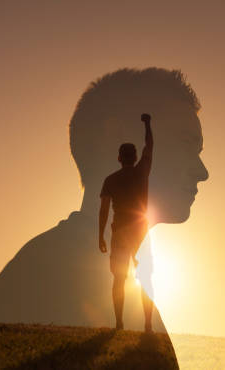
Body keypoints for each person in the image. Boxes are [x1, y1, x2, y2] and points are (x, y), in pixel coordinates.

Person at [0, 68, 208, 351]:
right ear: (118, 136)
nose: (202, 172)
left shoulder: (131, 293)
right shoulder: (40, 277)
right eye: (186, 144)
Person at [99, 113, 154, 332]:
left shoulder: (111, 180)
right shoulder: (142, 172)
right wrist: (148, 124)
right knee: (145, 277)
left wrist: (100, 235)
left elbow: (103, 210)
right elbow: (149, 146)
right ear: (134, 157)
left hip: (120, 230)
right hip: (141, 229)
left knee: (119, 278)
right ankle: (148, 325)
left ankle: (119, 323)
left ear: (119, 158)